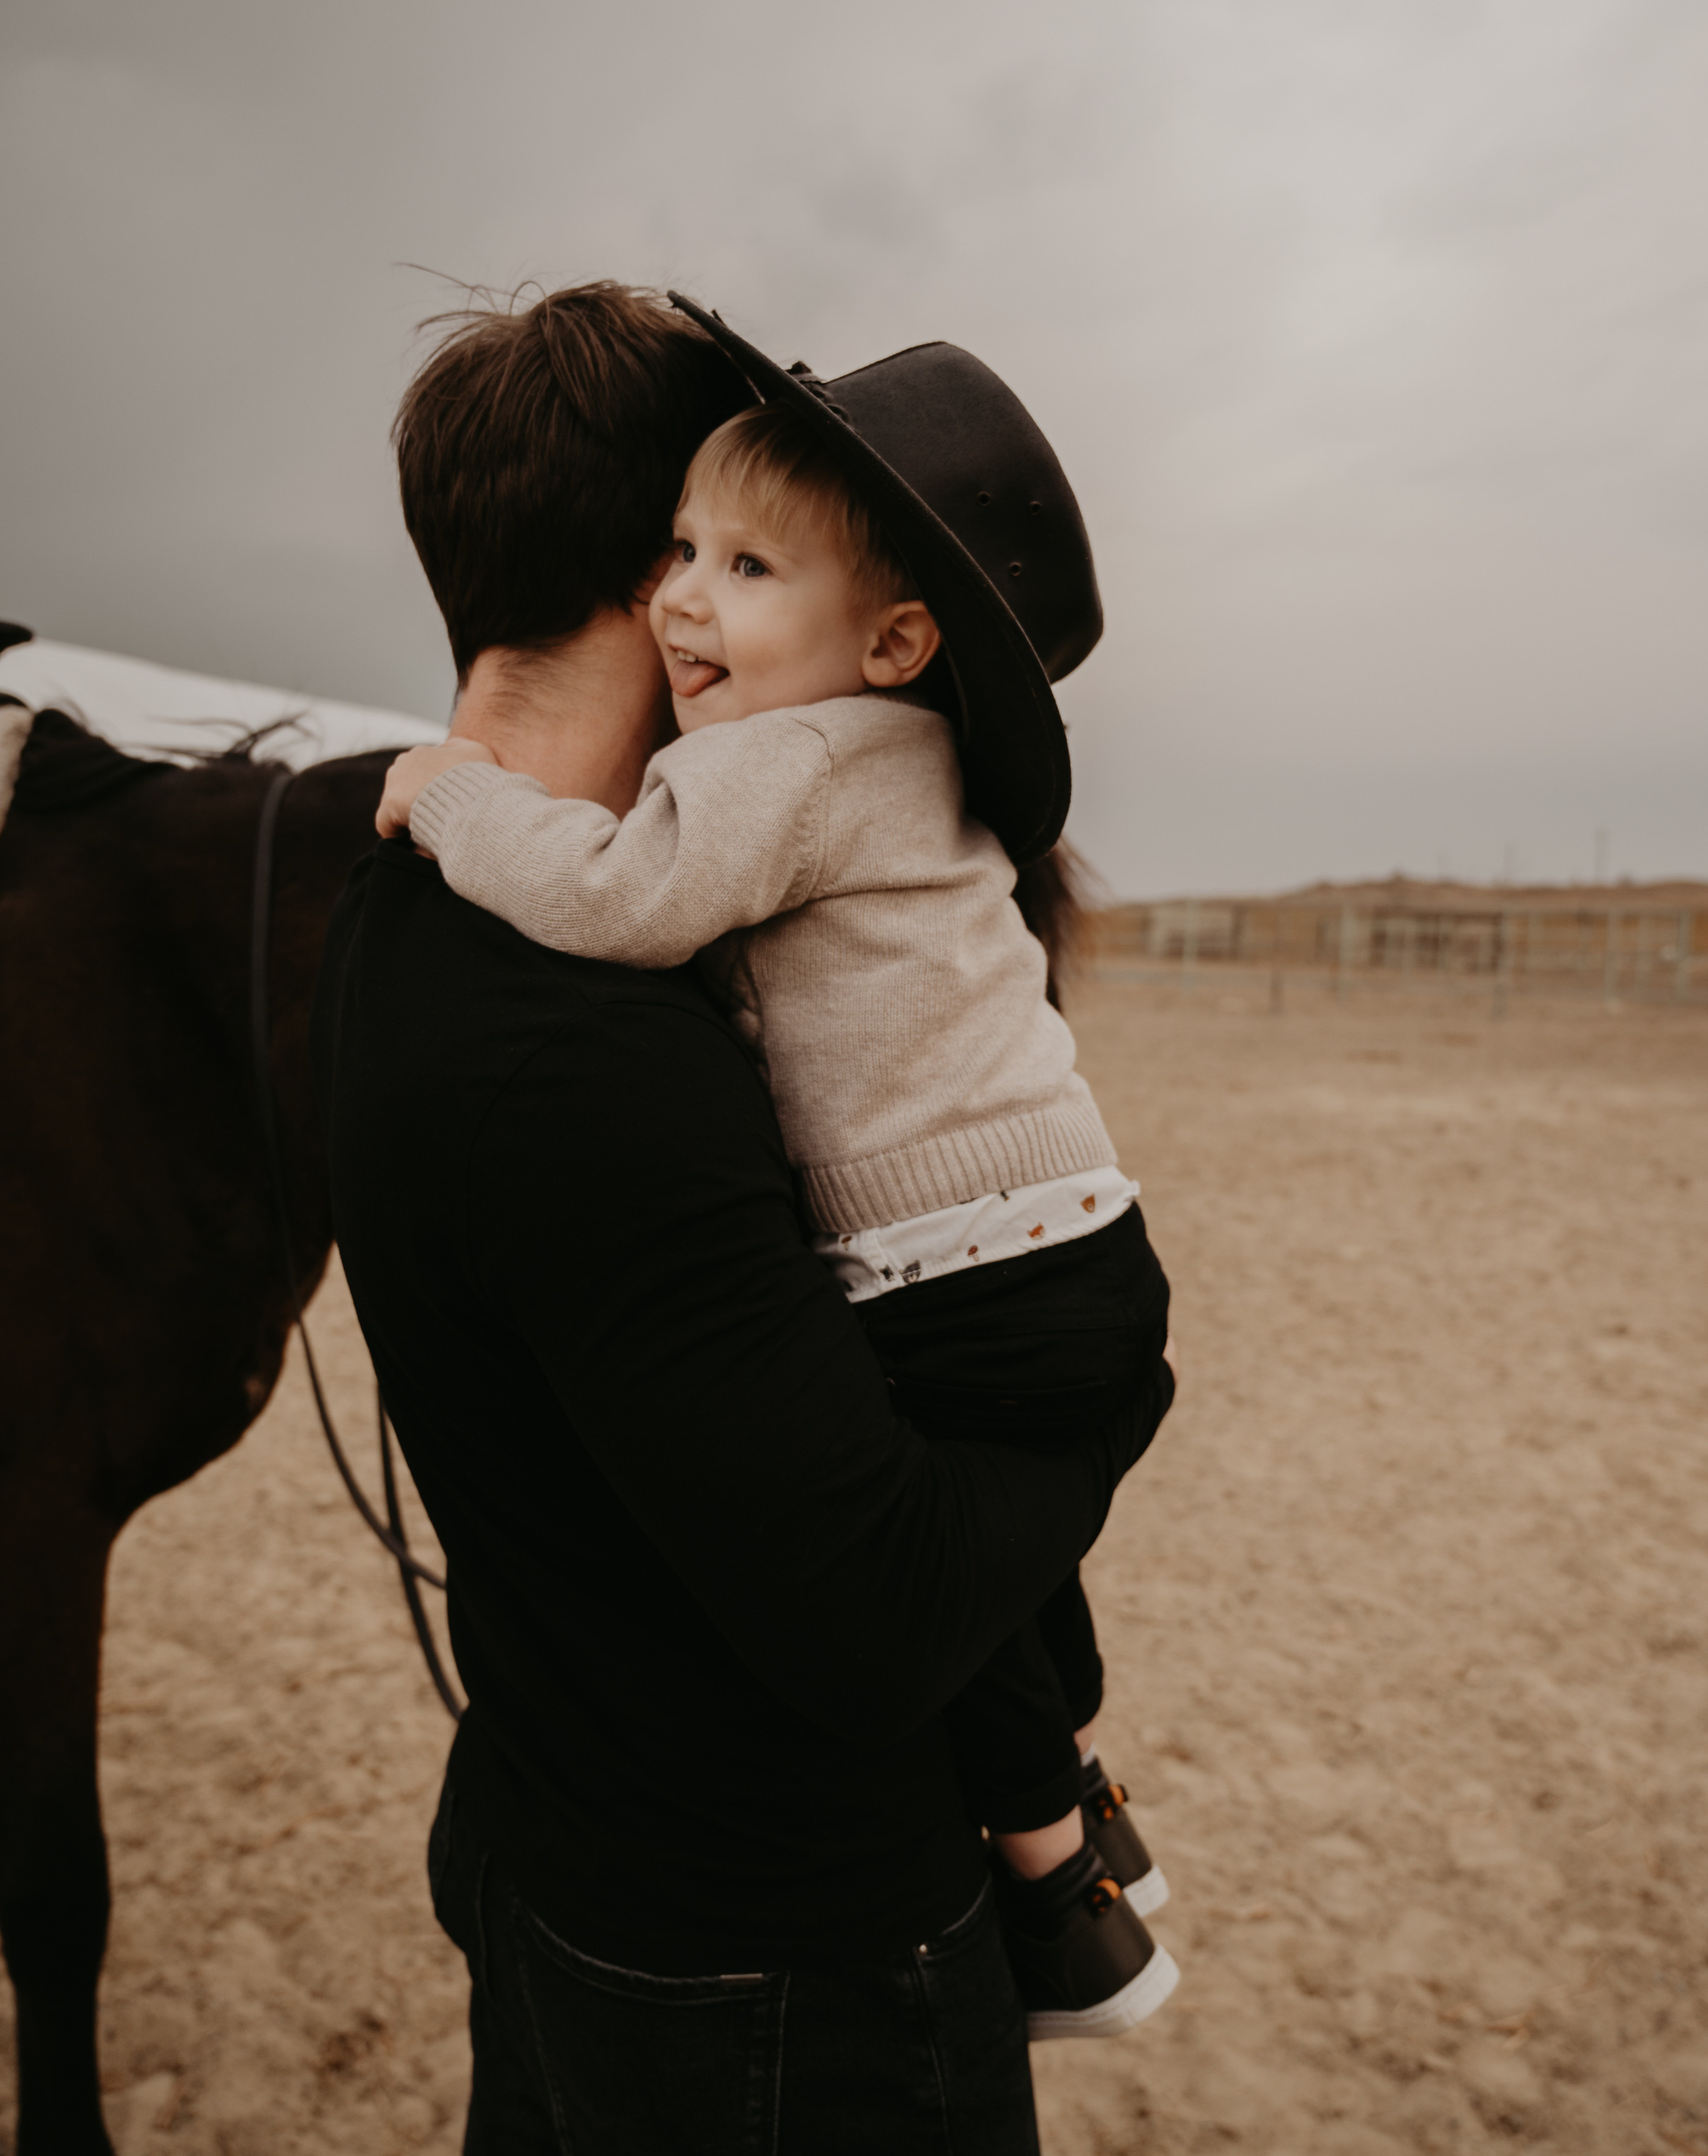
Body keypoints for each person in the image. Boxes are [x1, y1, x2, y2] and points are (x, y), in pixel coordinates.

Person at [313, 281, 1177, 2155]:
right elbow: (873, 1604)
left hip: (567, 1841)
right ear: (660, 580)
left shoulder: (385, 918)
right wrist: (1104, 1417)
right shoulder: (591, 1039)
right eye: (710, 536)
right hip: (773, 1955)